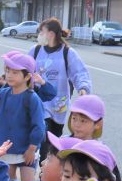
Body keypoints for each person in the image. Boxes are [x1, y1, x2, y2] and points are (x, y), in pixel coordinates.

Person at [29, 17, 92, 162]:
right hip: (40, 102)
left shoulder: (68, 53)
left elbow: (80, 73)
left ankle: (50, 171)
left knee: (53, 143)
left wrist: (83, 88)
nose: (39, 35)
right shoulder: (35, 50)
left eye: (41, 32)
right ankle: (43, 175)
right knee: (44, 139)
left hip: (59, 105)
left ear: (51, 34)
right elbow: (24, 68)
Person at [0, 53, 44, 181]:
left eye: (15, 72)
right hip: (6, 148)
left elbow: (38, 126)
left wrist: (32, 149)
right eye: (8, 71)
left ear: (27, 76)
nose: (9, 75)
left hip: (27, 149)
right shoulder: (3, 93)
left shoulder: (32, 98)